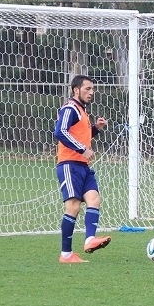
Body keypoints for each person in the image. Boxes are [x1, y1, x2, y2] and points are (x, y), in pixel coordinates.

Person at [53, 74, 112, 264]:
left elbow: (78, 134)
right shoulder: (70, 108)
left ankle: (89, 240)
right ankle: (66, 254)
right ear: (76, 90)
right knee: (73, 207)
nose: (91, 92)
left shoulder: (82, 112)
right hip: (69, 164)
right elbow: (60, 132)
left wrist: (96, 128)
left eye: (92, 89)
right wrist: (82, 150)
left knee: (94, 199)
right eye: (87, 89)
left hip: (83, 166)